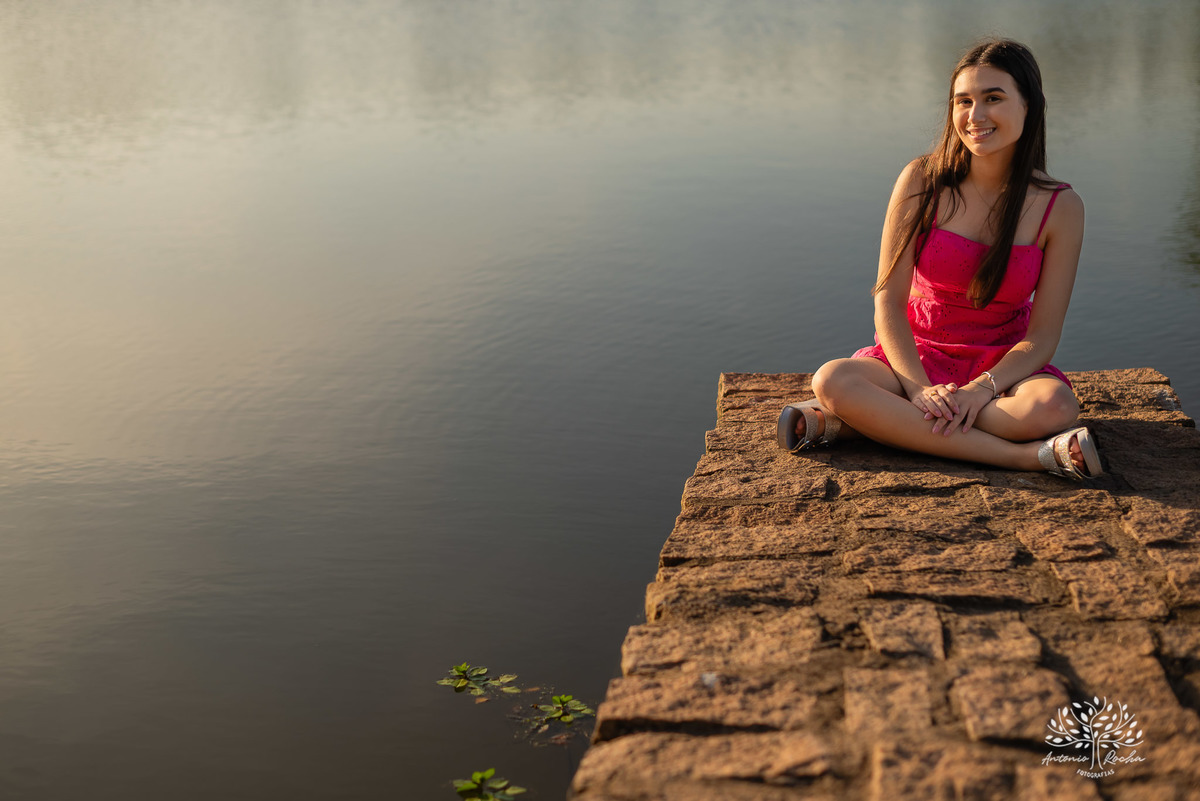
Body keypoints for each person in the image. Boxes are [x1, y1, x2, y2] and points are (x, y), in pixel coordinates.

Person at [777, 38, 1101, 480]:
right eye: (963, 101)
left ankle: (863, 424)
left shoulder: (1061, 207)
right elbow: (888, 301)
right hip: (915, 357)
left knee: (1054, 407)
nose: (976, 116)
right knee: (832, 381)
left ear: (1030, 105)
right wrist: (917, 390)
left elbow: (1042, 337)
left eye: (994, 98)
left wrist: (979, 391)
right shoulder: (921, 181)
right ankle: (1028, 457)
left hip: (1001, 368)